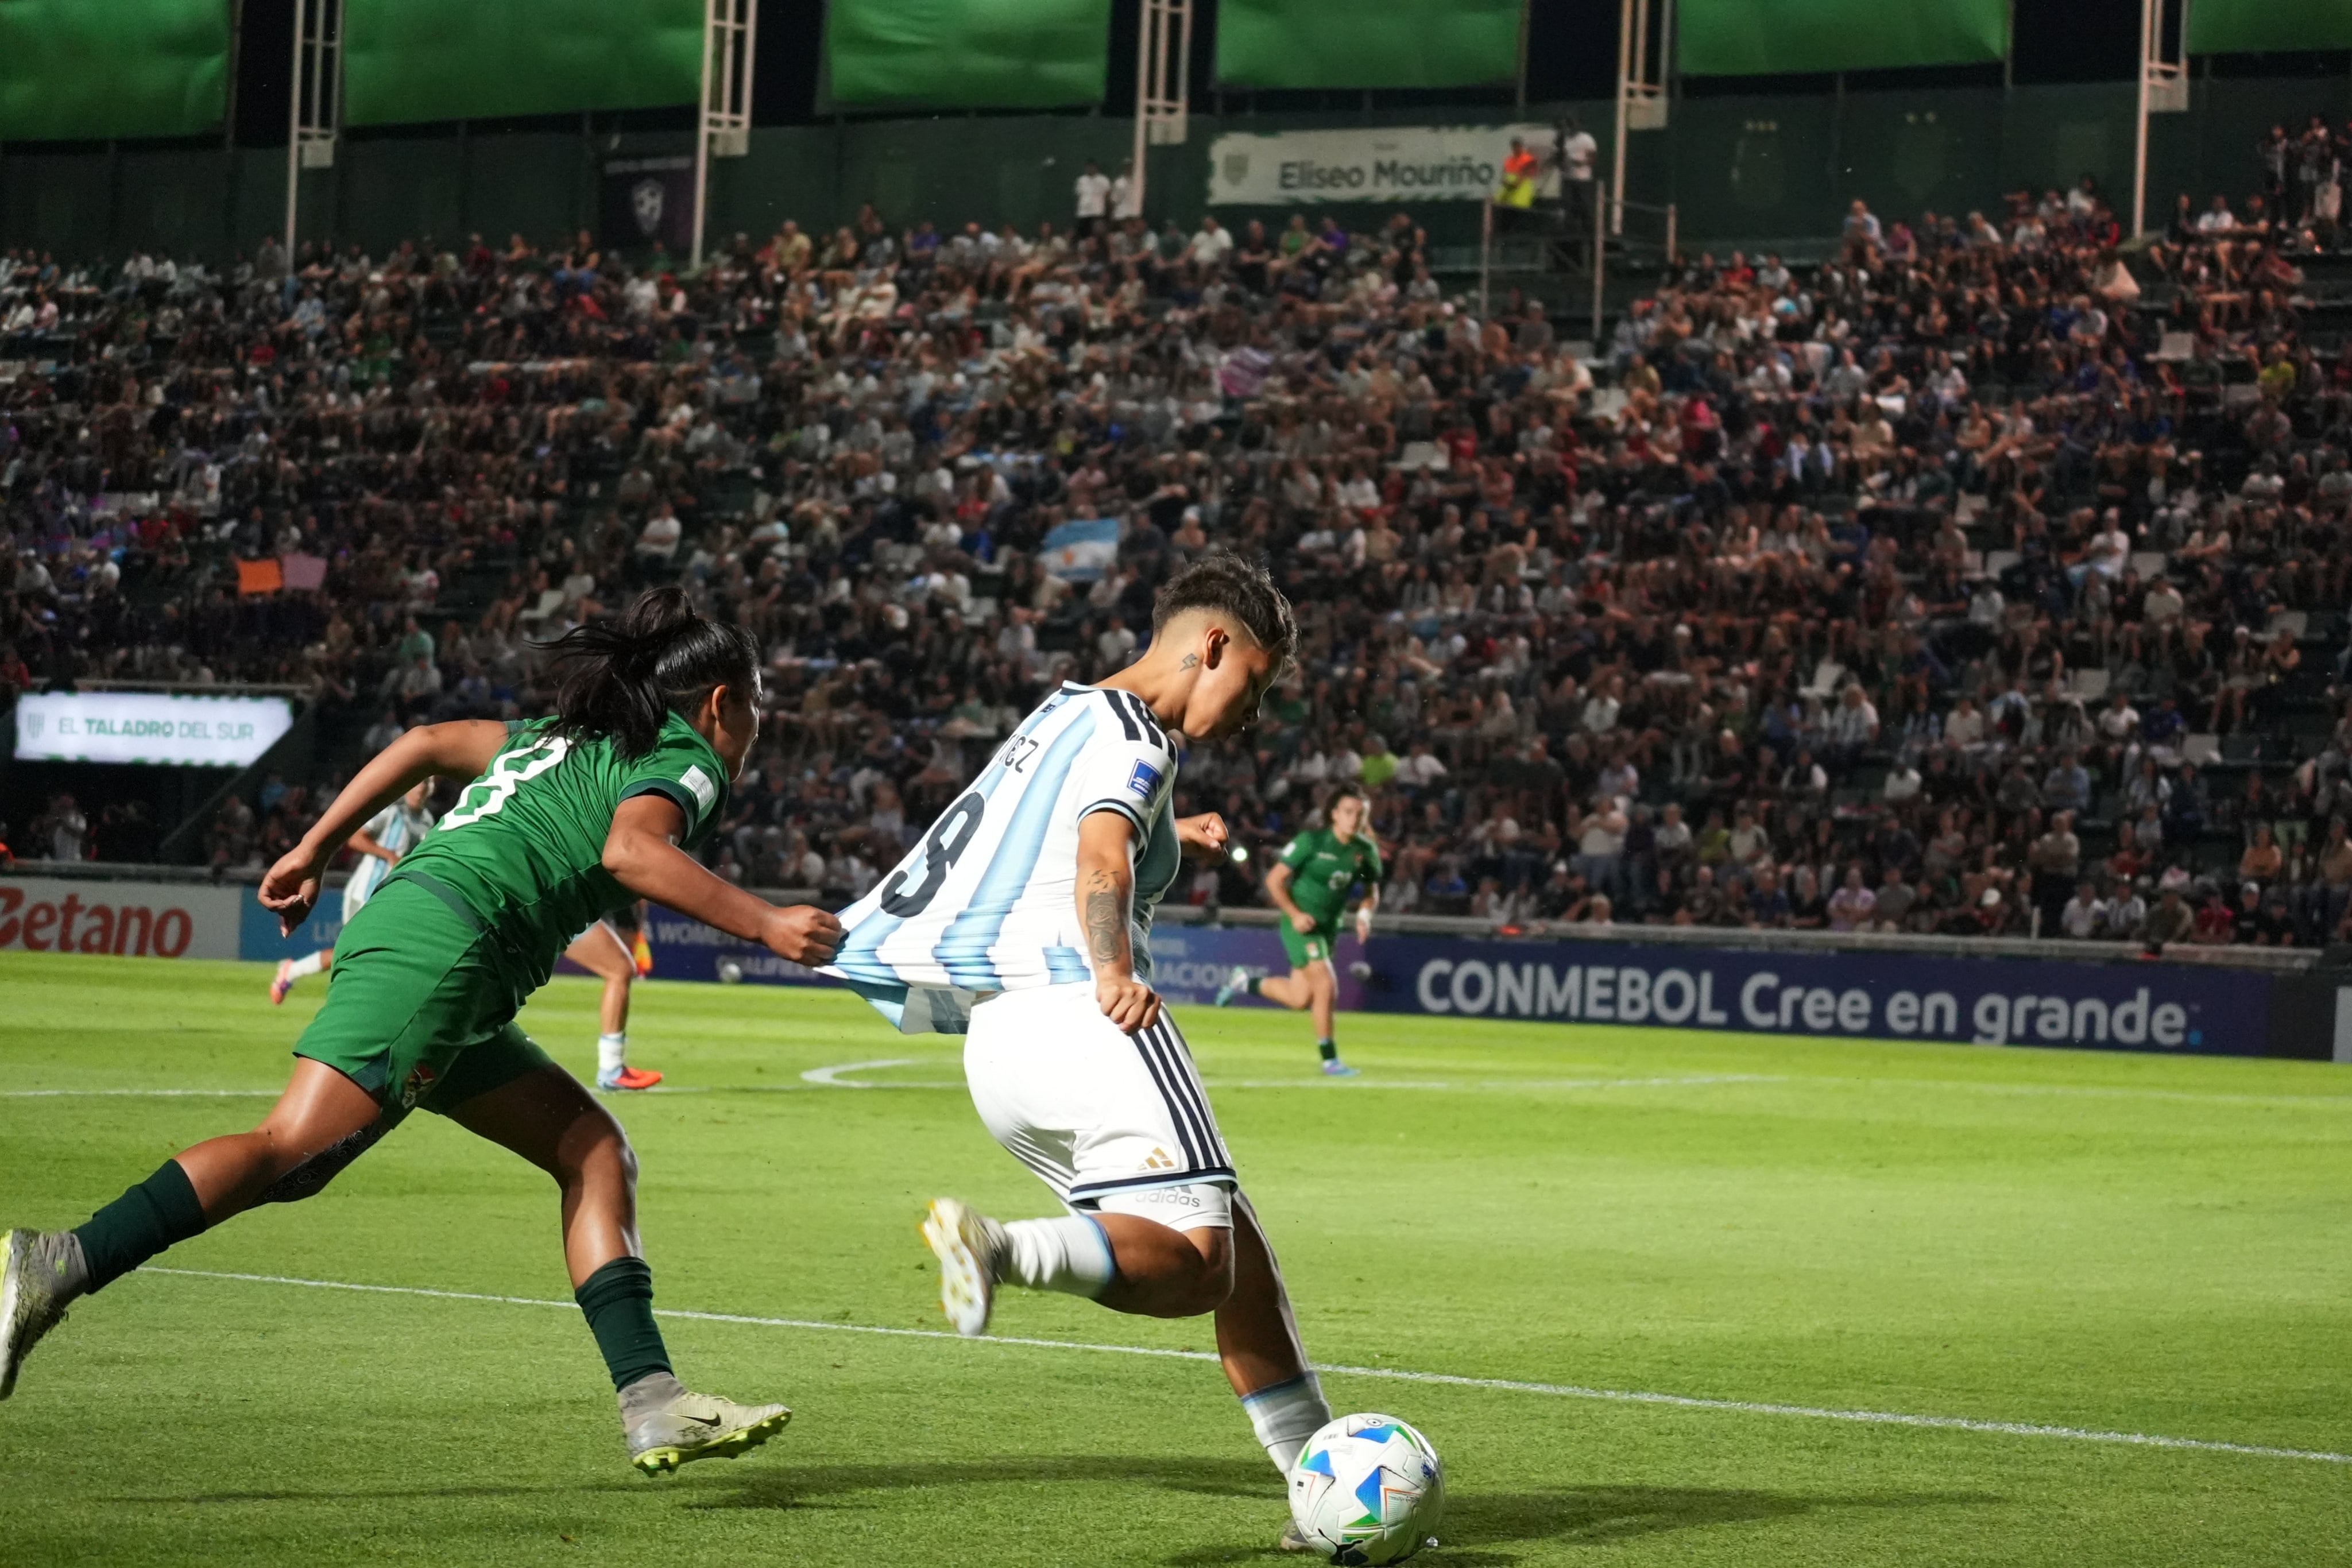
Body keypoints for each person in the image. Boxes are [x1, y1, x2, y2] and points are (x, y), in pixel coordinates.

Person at [1, 589, 844, 1480]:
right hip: (450, 954)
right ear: (722, 702)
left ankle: (653, 1401)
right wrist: (765, 923)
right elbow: (631, 854)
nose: (758, 724)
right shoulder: (687, 757)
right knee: (290, 1146)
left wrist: (315, 846)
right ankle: (56, 1259)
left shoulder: (565, 736)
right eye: (757, 701)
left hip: (436, 943)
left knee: (594, 1150)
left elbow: (426, 743)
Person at [820, 554, 1332, 1554]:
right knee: (1199, 1267)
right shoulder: (1138, 741)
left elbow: (1054, 837)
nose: (1251, 713)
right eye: (1254, 686)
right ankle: (1000, 1246)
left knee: (1239, 1251)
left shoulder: (1061, 715)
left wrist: (1166, 833)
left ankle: (1314, 1481)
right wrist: (1111, 970)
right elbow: (1098, 853)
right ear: (1212, 645)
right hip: (1083, 1013)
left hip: (1001, 1043)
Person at [1214, 784, 1383, 1076]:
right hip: (1301, 925)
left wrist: (1365, 915)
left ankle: (1244, 982)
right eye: (1348, 812)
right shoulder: (1312, 842)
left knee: (1299, 998)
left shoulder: (1364, 850)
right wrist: (1294, 914)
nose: (1354, 819)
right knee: (1326, 985)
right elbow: (1274, 880)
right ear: (1334, 814)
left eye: (1360, 813)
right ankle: (1330, 1060)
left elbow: (1371, 889)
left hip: (1329, 928)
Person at [270, 779, 434, 1004]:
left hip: (393, 898)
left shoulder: (427, 821)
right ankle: (297, 974)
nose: (421, 788)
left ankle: (295, 972)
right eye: (417, 784)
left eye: (426, 784)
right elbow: (356, 839)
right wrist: (388, 855)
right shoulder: (391, 813)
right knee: (353, 952)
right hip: (364, 892)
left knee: (374, 951)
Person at [566, 900, 663, 1093]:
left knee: (620, 969)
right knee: (619, 970)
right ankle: (611, 1068)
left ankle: (612, 1068)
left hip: (549, 902)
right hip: (552, 904)